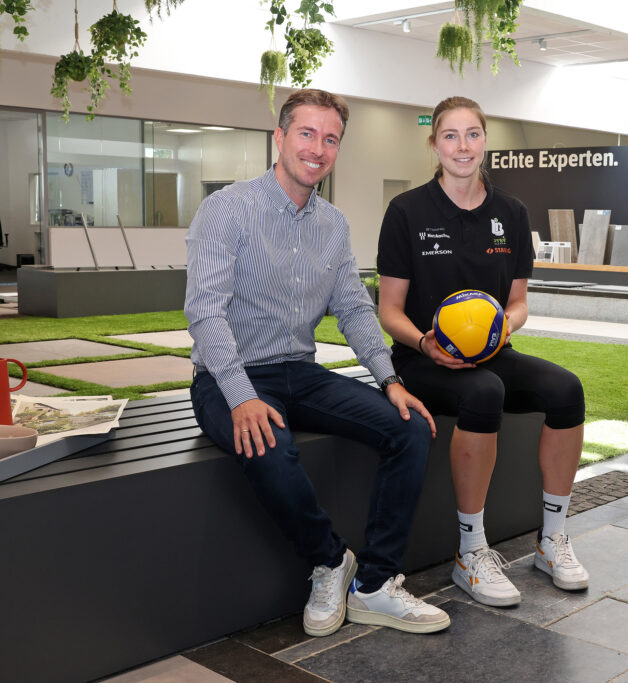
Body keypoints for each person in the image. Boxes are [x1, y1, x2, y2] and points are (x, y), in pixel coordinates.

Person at [185, 89, 450, 636]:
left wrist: (390, 380)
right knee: (266, 444)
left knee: (409, 426)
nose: (318, 148)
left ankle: (375, 584)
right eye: (306, 133)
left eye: (330, 139)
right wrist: (241, 396)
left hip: (299, 373)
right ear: (280, 138)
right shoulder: (228, 209)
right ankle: (330, 561)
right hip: (225, 375)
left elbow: (353, 307)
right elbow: (205, 312)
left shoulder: (333, 224)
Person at [377, 96, 589, 607]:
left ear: (485, 141)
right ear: (434, 144)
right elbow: (389, 311)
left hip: (493, 355)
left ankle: (552, 539)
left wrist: (501, 328)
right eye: (450, 135)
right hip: (423, 360)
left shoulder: (510, 213)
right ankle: (470, 552)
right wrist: (426, 343)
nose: (462, 146)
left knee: (566, 389)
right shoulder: (406, 211)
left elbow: (518, 304)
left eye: (472, 134)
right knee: (483, 391)